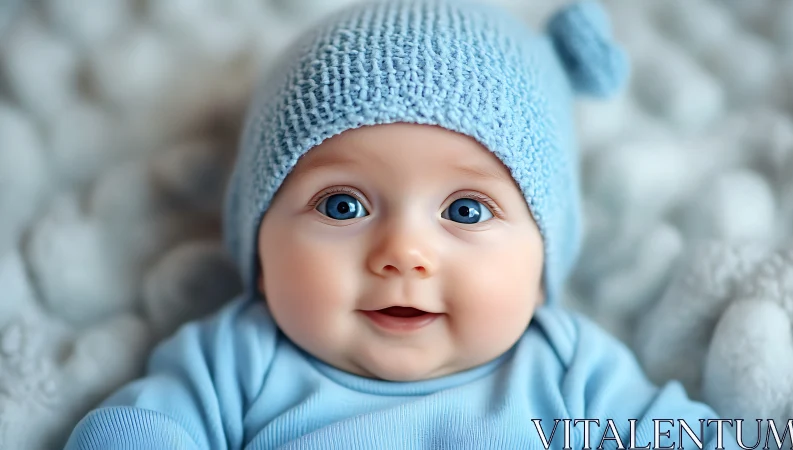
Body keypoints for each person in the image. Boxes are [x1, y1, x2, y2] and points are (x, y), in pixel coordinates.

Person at [66, 0, 731, 448]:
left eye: (466, 211)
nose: (403, 253)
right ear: (258, 247)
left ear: (542, 267)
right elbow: (134, 429)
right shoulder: (237, 360)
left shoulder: (571, 371)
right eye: (342, 206)